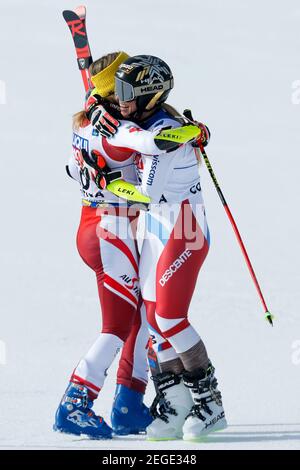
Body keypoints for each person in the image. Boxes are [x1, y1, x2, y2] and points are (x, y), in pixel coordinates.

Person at [87, 54, 227, 441]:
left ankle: (210, 401)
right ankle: (177, 400)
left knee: (169, 317)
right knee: (152, 316)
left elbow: (142, 195)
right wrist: (99, 106)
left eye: (126, 93)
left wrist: (106, 182)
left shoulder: (162, 130)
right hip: (157, 230)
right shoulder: (142, 120)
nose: (120, 100)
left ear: (150, 95)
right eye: (116, 92)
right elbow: (103, 107)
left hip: (184, 229)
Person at [54, 52, 153, 439]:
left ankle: (129, 402)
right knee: (116, 325)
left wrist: (95, 102)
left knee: (140, 316)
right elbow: (154, 143)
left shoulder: (88, 116)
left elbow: (69, 166)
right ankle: (74, 404)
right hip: (110, 231)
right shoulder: (120, 130)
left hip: (98, 226)